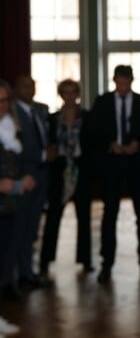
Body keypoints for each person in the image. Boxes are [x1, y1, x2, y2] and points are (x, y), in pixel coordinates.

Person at [87, 65, 140, 283]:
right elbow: (93, 131)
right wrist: (111, 145)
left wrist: (138, 143)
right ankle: (107, 263)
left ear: (132, 81)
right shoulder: (102, 102)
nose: (123, 86)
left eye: (126, 82)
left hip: (138, 165)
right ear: (114, 80)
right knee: (110, 214)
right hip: (111, 165)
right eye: (120, 82)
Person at [39, 79, 94, 277]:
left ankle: (86, 260)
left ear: (78, 94)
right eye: (65, 92)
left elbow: (93, 145)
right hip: (59, 173)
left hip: (82, 173)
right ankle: (45, 259)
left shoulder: (87, 117)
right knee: (53, 217)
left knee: (84, 217)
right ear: (60, 95)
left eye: (73, 92)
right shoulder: (52, 119)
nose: (69, 96)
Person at [10, 75, 54, 291]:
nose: (30, 89)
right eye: (25, 85)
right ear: (16, 88)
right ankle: (15, 275)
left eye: (33, 85)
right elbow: (14, 150)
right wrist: (43, 156)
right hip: (23, 177)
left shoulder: (39, 110)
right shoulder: (11, 113)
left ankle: (28, 271)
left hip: (42, 176)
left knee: (32, 228)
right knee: (19, 228)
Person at [0, 79, 36, 314]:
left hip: (10, 202)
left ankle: (7, 284)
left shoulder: (9, 124)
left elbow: (17, 159)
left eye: (4, 100)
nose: (1, 105)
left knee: (9, 246)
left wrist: (25, 178)